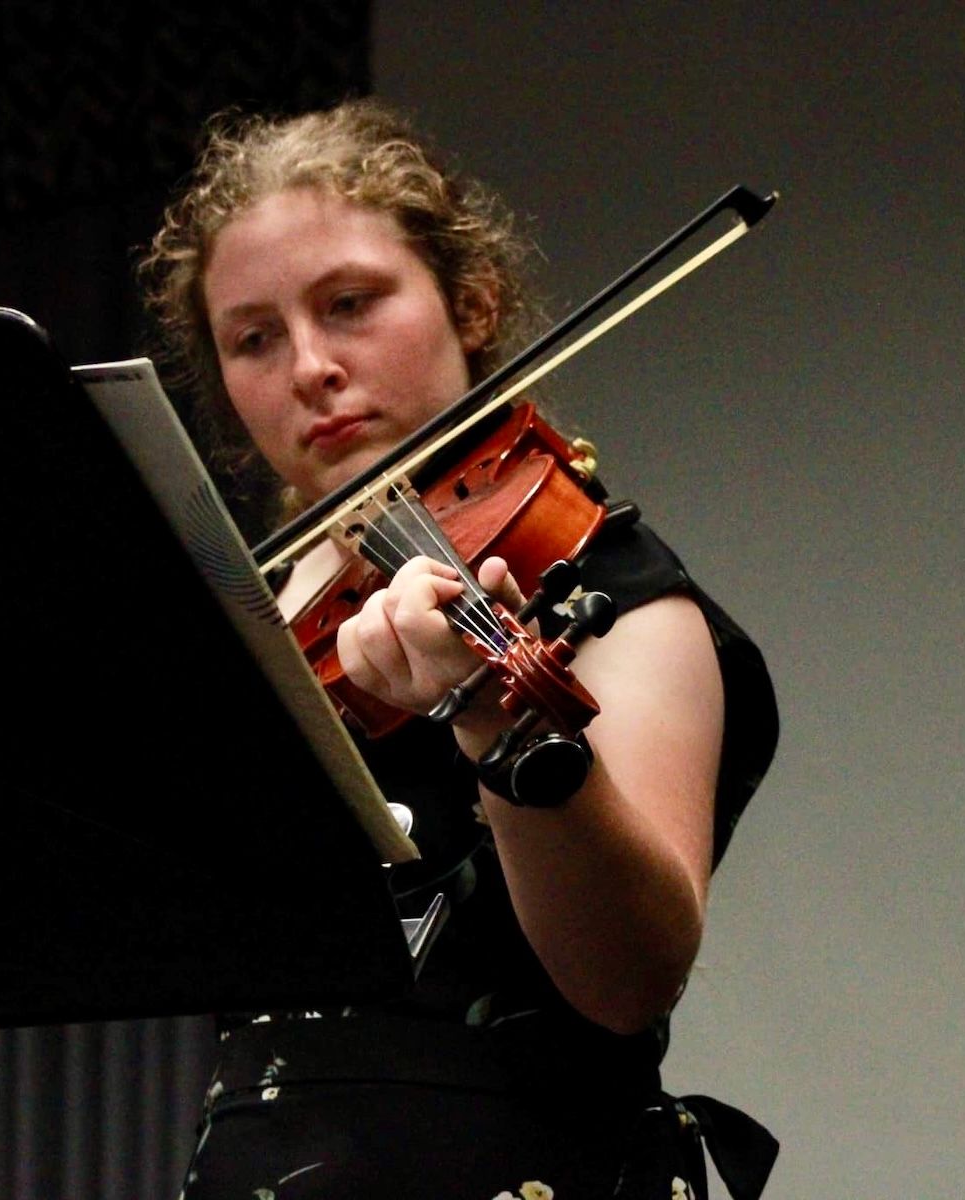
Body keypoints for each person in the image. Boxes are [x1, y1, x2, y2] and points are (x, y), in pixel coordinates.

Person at [141, 98, 780, 1200]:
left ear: (471, 303)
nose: (308, 368)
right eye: (253, 338)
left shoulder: (609, 592)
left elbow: (627, 977)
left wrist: (492, 706)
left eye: (350, 305)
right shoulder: (247, 619)